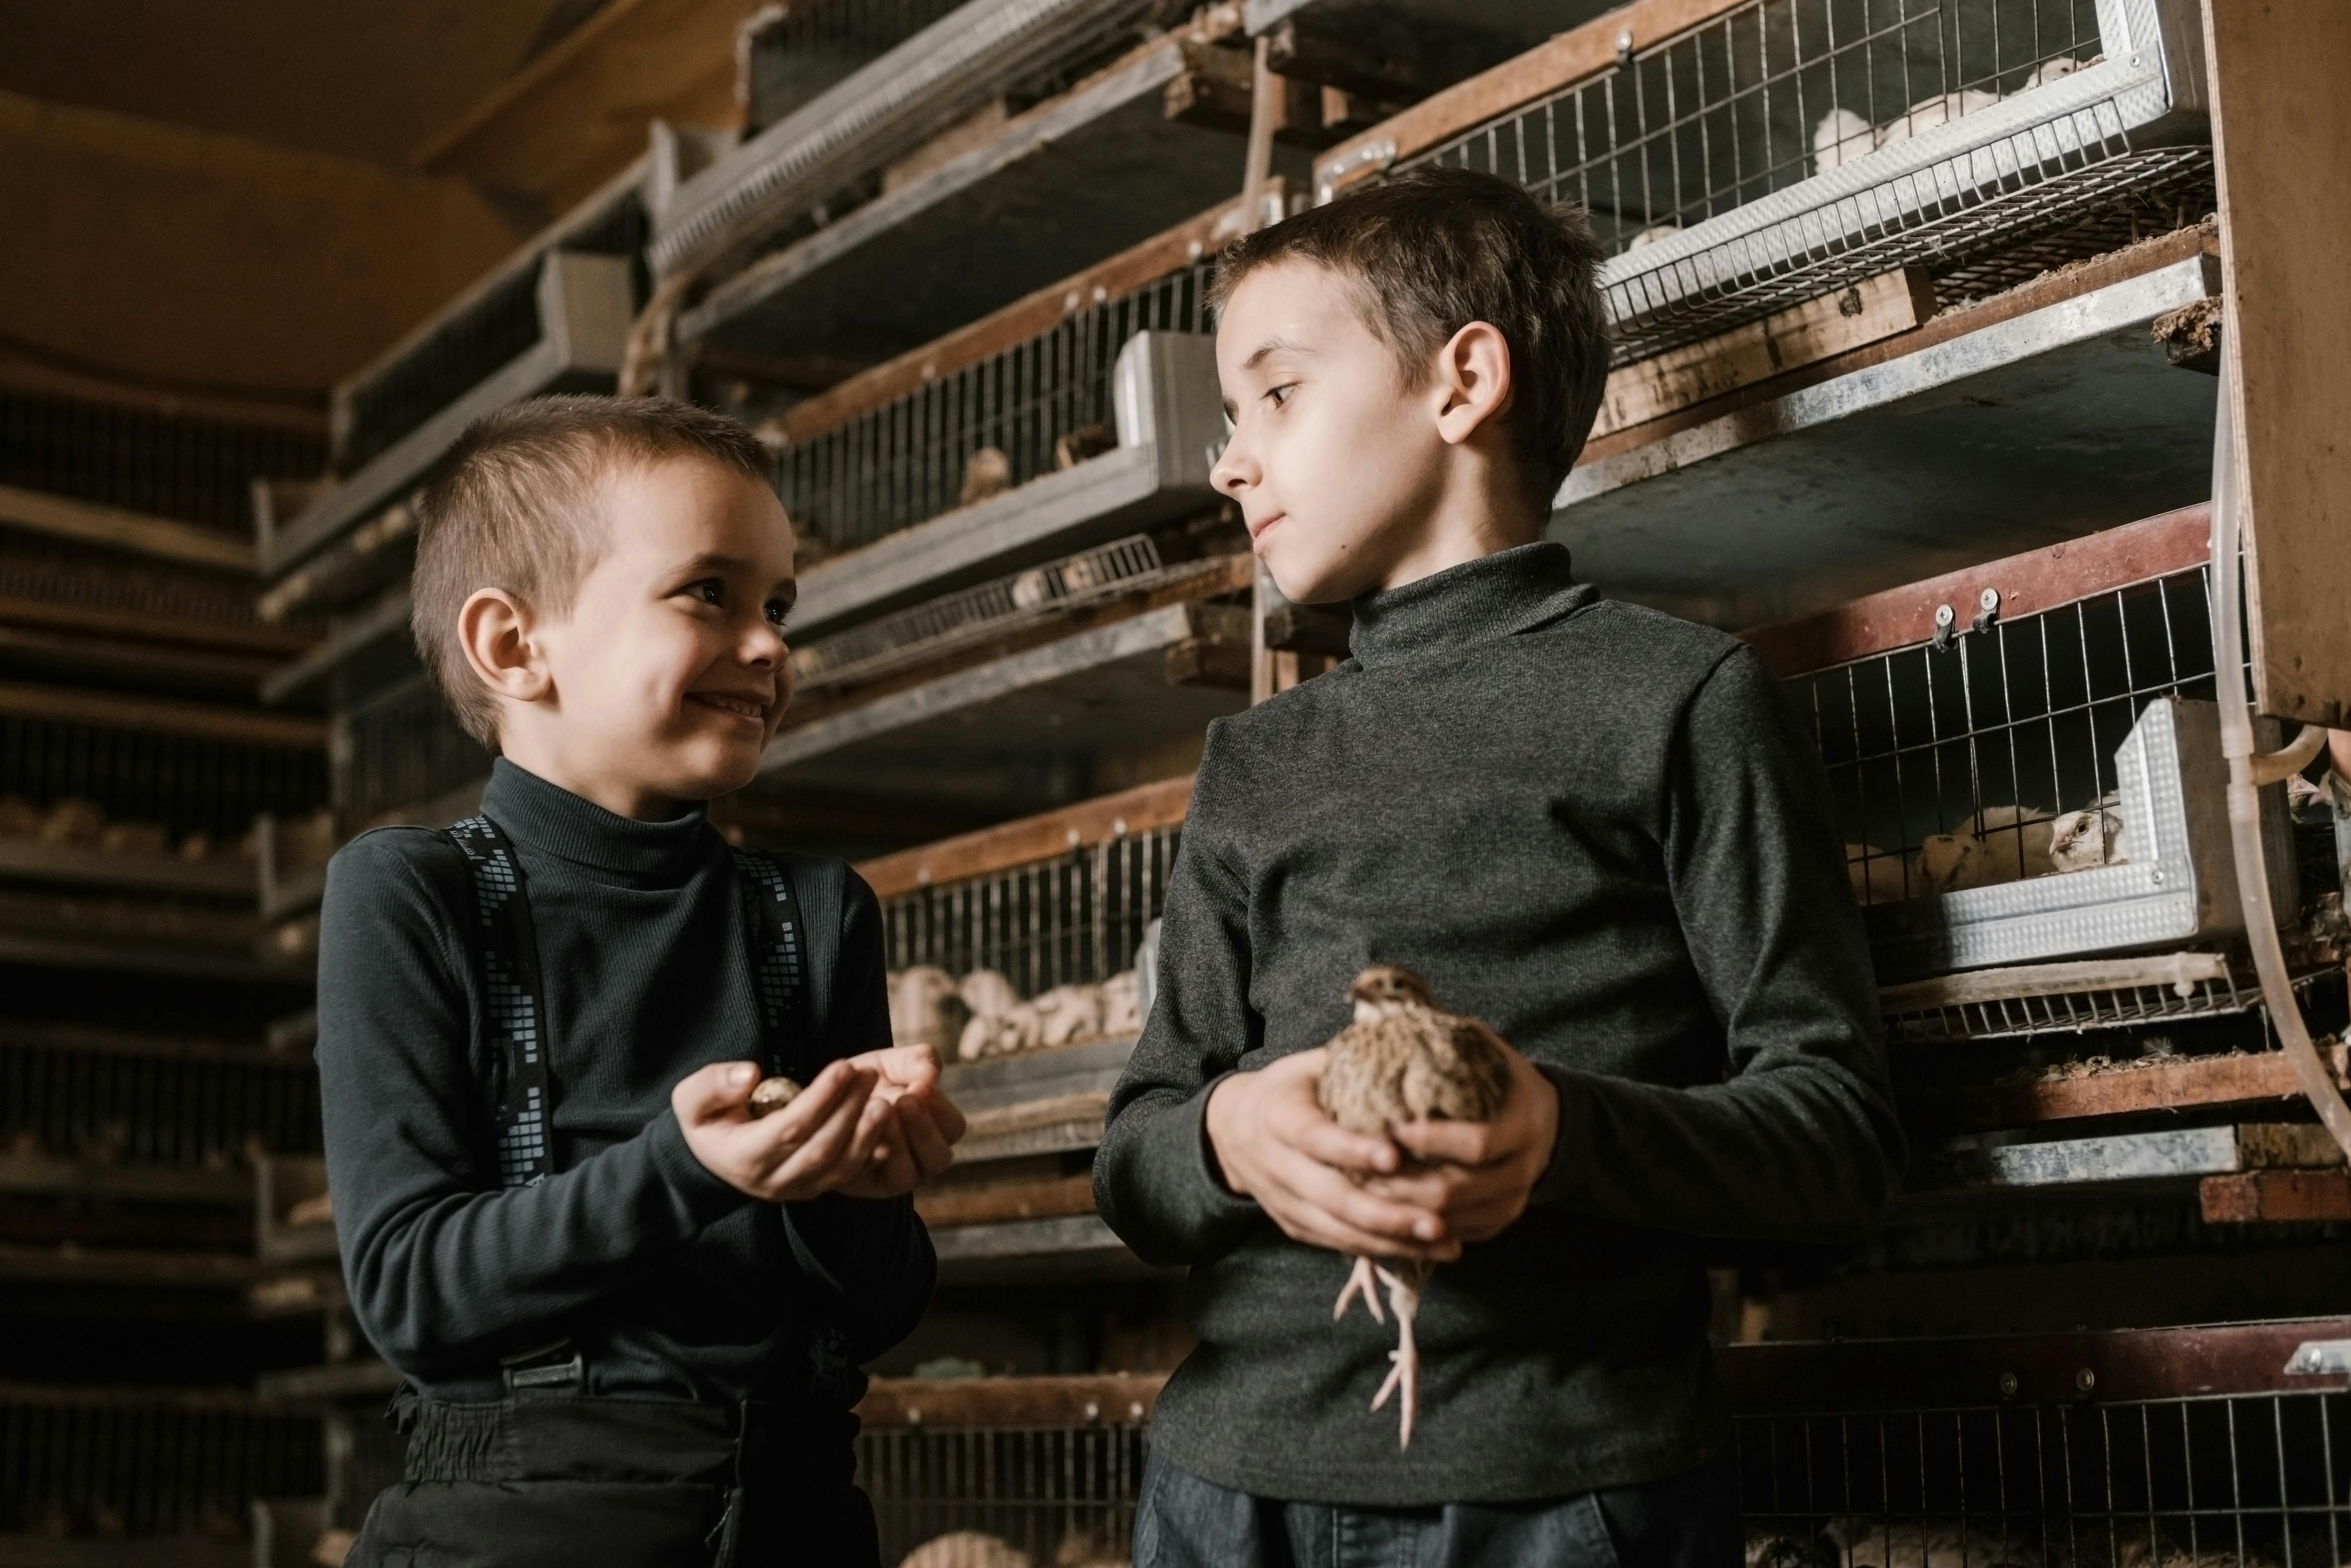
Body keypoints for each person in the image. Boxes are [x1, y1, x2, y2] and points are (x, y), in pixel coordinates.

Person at [1094, 166, 1903, 1566]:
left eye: (1275, 396)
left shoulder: (1680, 697)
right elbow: (1136, 1155)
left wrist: (1561, 1133)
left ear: (1464, 382)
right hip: (1228, 1489)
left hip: (1565, 1495)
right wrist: (1228, 1135)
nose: (1231, 462)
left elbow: (1838, 1139)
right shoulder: (1255, 760)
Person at [316, 395, 963, 1568]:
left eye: (778, 605)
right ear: (515, 646)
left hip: (796, 1516)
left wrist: (848, 1189)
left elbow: (878, 1311)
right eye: (708, 592)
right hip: (516, 1532)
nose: (768, 646)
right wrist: (686, 1166)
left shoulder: (816, 913)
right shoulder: (413, 895)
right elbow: (410, 1288)